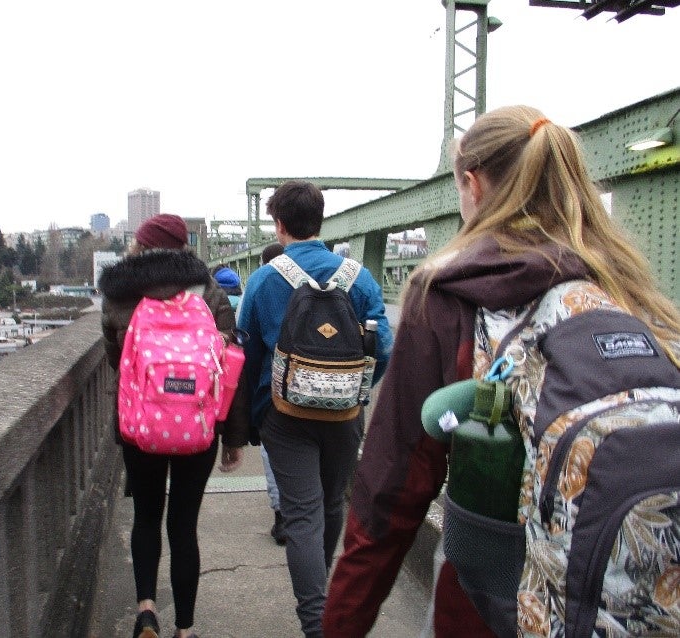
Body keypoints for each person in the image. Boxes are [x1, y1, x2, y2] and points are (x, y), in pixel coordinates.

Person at [322, 105, 680, 637]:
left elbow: (392, 487)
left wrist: (344, 622)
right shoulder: (631, 289)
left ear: (473, 185)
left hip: (486, 606)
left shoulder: (449, 294)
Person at [237, 181, 393, 638]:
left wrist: (248, 420)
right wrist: (355, 391)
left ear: (279, 224)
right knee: (329, 508)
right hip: (344, 416)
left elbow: (246, 356)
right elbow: (382, 346)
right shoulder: (357, 277)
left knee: (301, 514)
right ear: (320, 220)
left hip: (285, 418)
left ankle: (316, 623)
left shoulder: (266, 279)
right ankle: (323, 603)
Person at [99, 213, 248, 638]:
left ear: (139, 247)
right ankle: (185, 629)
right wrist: (233, 438)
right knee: (183, 526)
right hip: (197, 426)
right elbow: (229, 366)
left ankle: (147, 610)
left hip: (140, 427)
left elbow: (117, 361)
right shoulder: (208, 290)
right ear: (185, 247)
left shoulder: (120, 292)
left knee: (146, 517)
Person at [253, 242, 288, 544]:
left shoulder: (263, 281)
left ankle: (282, 517)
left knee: (273, 454)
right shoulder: (350, 276)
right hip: (332, 392)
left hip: (276, 392)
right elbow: (380, 346)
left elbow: (247, 347)